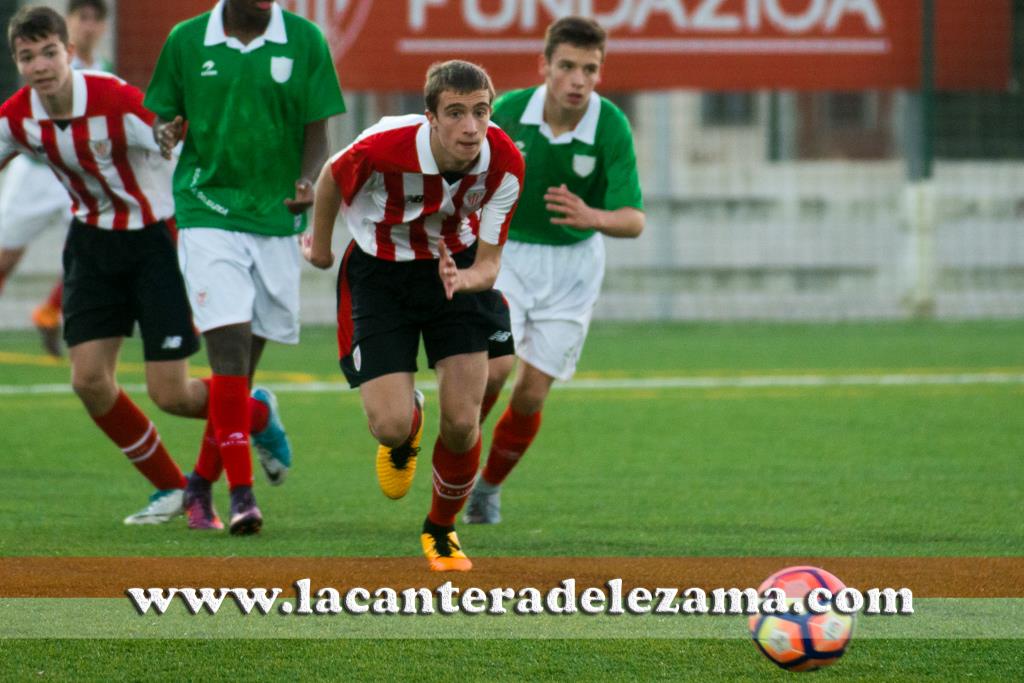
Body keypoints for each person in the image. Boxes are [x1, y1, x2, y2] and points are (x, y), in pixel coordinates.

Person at [304, 60, 524, 571]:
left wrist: (463, 281)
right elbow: (331, 178)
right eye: (455, 113)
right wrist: (320, 248)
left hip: (457, 269)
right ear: (429, 116)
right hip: (382, 275)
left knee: (465, 424)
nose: (471, 127)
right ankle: (410, 419)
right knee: (389, 426)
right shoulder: (384, 146)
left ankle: (441, 530)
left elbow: (489, 263)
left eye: (480, 111)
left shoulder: (505, 162)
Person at [144, 0, 346, 534]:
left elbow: (316, 132)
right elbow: (164, 116)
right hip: (205, 209)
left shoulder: (304, 40)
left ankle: (199, 484)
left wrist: (308, 181)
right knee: (228, 352)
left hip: (276, 219)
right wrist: (165, 132)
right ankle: (242, 497)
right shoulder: (186, 40)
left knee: (239, 376)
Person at [0, 6, 201, 525]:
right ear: (18, 63)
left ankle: (258, 413)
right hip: (90, 244)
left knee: (172, 395)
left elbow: (162, 129)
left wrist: (166, 134)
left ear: (69, 52)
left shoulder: (113, 97)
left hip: (154, 241)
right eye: (27, 56)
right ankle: (171, 488)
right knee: (88, 380)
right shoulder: (18, 116)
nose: (40, 64)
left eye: (49, 52)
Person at [463, 16, 645, 525]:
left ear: (600, 73)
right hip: (509, 257)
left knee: (531, 393)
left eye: (590, 68)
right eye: (567, 66)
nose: (578, 80)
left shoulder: (610, 125)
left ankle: (487, 488)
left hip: (573, 269)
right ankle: (454, 469)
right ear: (544, 66)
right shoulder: (507, 113)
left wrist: (594, 217)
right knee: (492, 371)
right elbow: (461, 175)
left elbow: (633, 220)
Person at [0, 0, 112, 357]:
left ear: (104, 27)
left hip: (75, 178)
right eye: (83, 17)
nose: (89, 25)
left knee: (91, 251)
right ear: (70, 24)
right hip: (34, 173)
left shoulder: (107, 71)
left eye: (96, 19)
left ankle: (50, 312)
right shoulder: (49, 61)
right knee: (5, 258)